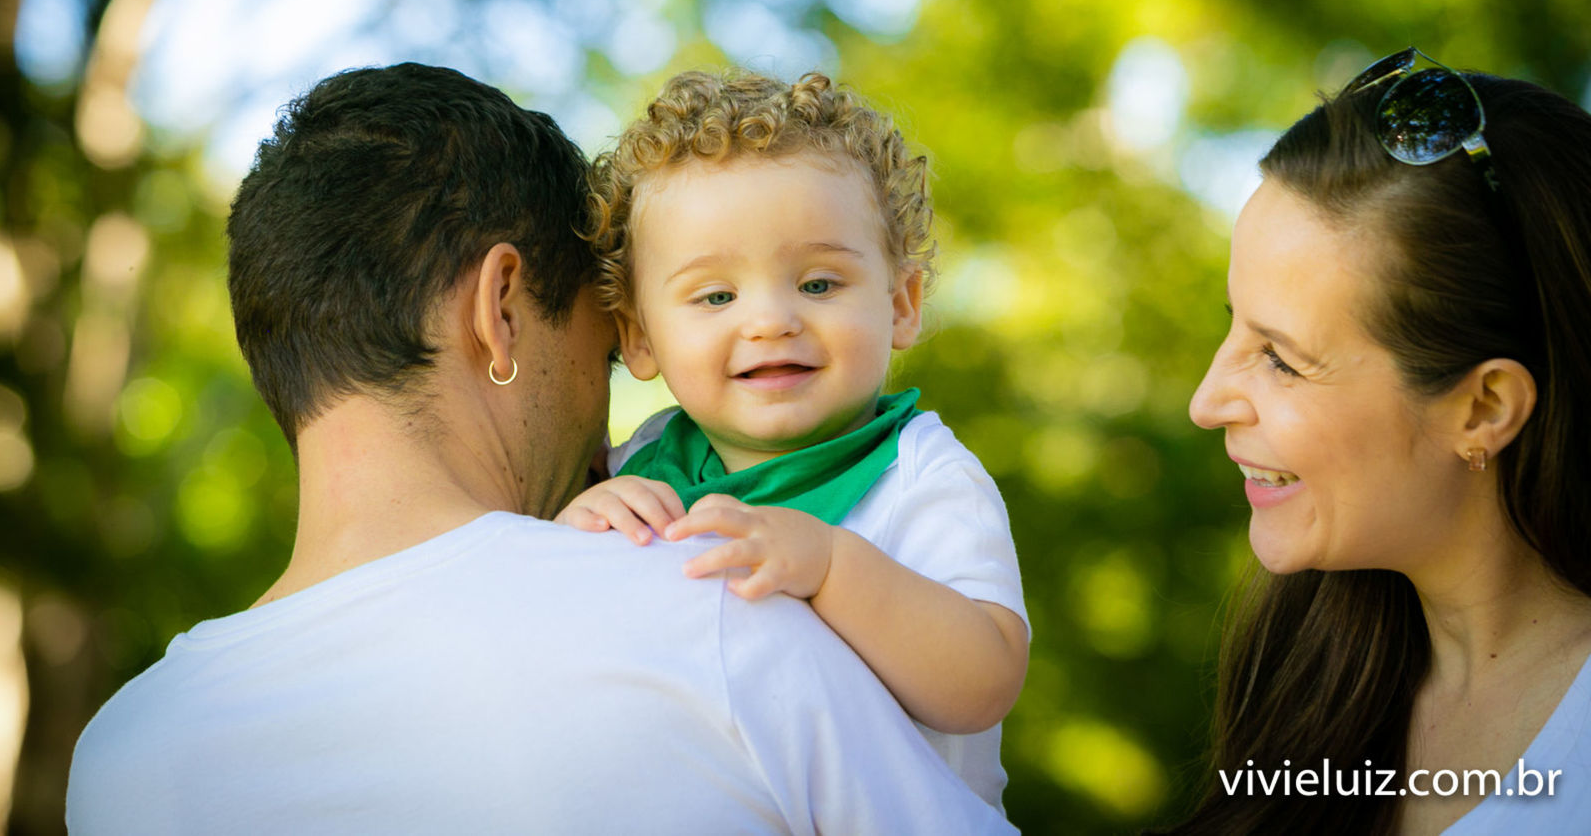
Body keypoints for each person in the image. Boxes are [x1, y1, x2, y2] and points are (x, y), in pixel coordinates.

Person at [65, 63, 1013, 835]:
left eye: (814, 281)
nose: (607, 432)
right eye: (606, 345)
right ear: (502, 309)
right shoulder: (711, 609)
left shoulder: (117, 761)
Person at [553, 70, 1030, 809]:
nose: (771, 319)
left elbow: (985, 678)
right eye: (716, 295)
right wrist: (577, 528)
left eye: (818, 284)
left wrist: (832, 564)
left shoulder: (920, 474)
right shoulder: (642, 463)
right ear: (639, 337)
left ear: (901, 304)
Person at [1169, 49, 1591, 834]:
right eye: (1232, 322)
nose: (1206, 402)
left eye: (1281, 359)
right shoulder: (1315, 675)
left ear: (1484, 408)